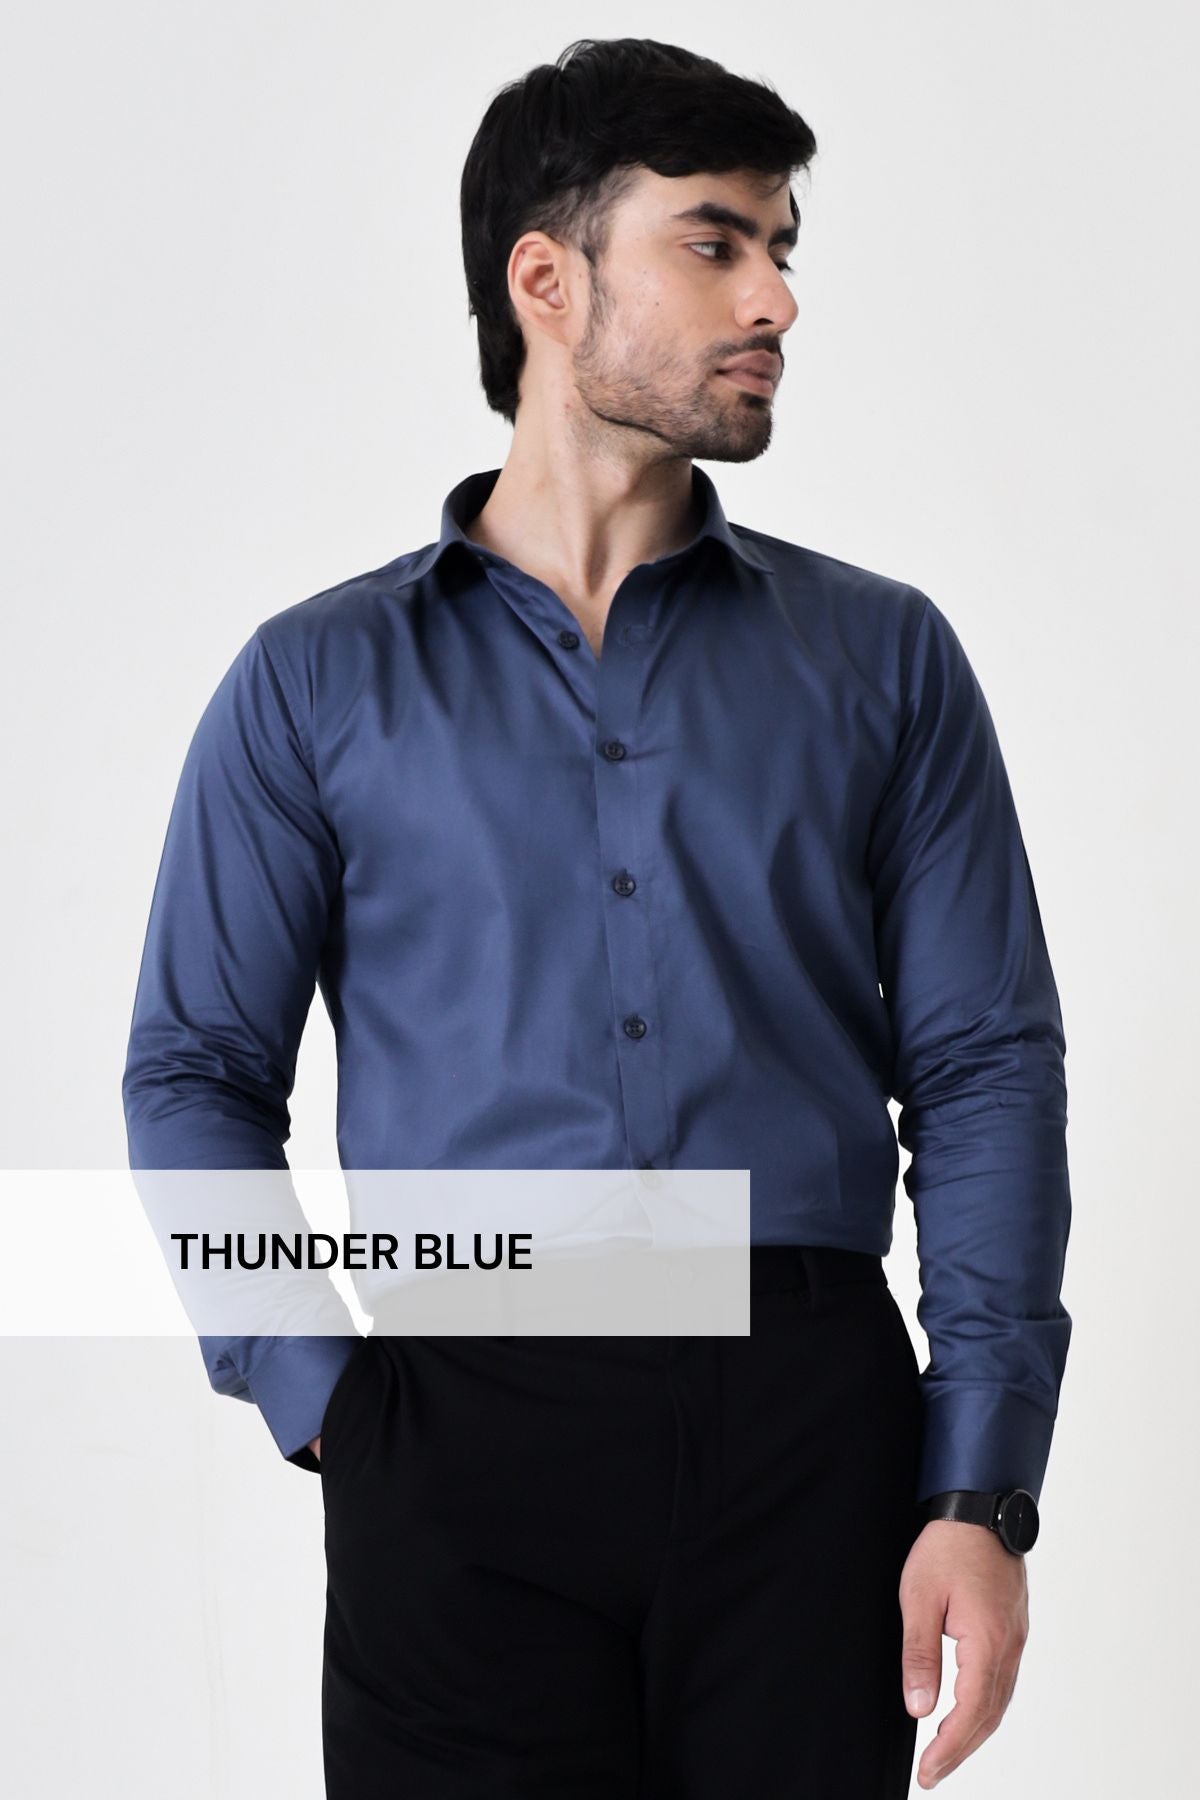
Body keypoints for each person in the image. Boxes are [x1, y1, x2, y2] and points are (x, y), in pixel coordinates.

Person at [122, 35, 1073, 1799]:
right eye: (715, 243)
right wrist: (327, 1403)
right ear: (546, 283)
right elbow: (193, 1076)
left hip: (809, 1431)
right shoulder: (315, 683)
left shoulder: (884, 660)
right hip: (455, 1430)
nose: (776, 298)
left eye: (782, 248)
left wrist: (980, 1483)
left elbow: (984, 1069)